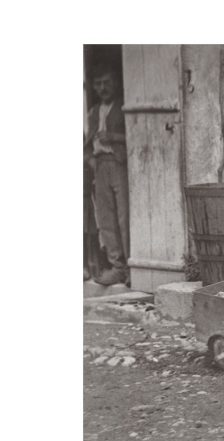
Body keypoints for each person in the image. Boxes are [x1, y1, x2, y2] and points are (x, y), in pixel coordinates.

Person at [84, 66, 129, 286]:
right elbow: (85, 145)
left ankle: (131, 267)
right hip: (100, 167)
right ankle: (117, 267)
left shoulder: (124, 107)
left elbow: (135, 134)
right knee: (106, 219)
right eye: (98, 84)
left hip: (119, 164)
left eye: (107, 82)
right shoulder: (92, 112)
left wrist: (113, 136)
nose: (102, 88)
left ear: (116, 83)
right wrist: (91, 161)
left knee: (124, 216)